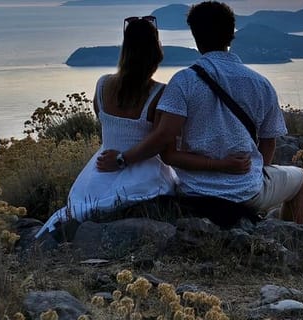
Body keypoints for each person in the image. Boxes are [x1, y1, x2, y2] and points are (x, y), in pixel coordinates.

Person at [96, 1, 303, 226]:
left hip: (193, 192)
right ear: (231, 35)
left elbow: (168, 152)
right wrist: (245, 173)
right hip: (247, 191)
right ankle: (293, 238)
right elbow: (268, 144)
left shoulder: (182, 82)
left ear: (195, 38)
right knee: (300, 177)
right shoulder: (261, 84)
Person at [36, 16, 248, 239]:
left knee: (83, 209)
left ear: (125, 50)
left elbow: (103, 121)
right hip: (143, 176)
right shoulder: (160, 93)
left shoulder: (102, 85)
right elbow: (160, 141)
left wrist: (117, 156)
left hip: (99, 171)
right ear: (156, 53)